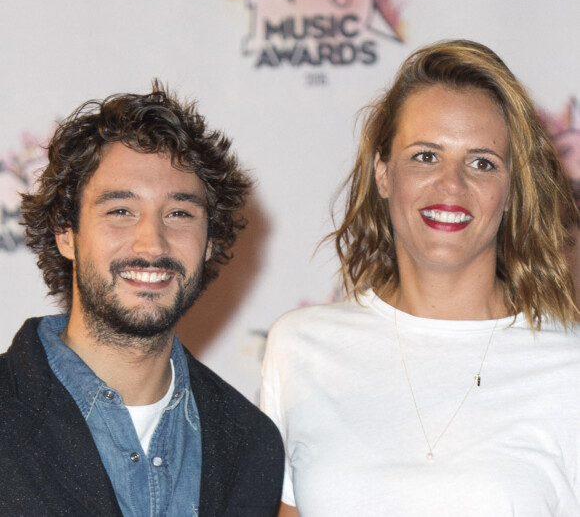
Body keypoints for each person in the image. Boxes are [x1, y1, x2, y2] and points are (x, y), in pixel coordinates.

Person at [261, 40, 580, 516]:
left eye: (482, 162)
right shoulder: (299, 347)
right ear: (384, 174)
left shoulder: (568, 365)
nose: (452, 184)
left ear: (512, 190)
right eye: (426, 156)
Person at [0, 81, 284, 516]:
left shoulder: (251, 445)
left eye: (179, 213)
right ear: (66, 233)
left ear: (209, 243)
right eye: (120, 211)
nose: (152, 244)